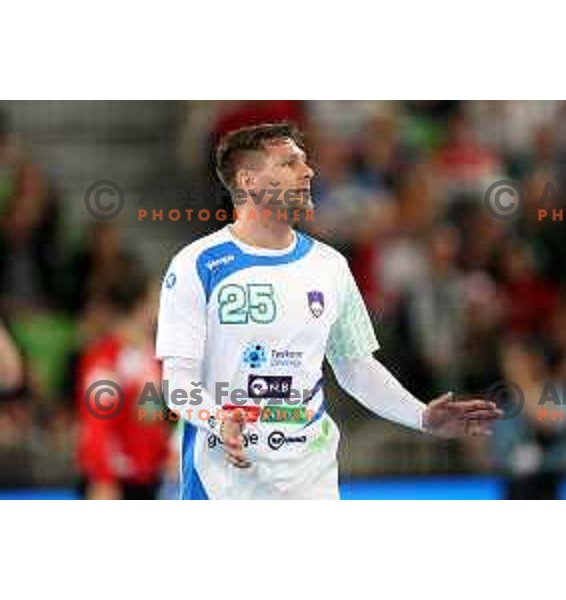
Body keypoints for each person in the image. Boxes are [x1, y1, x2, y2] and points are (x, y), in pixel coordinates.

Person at [156, 122, 501, 500]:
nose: (308, 172)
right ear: (249, 180)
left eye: (304, 162)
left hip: (311, 481)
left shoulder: (330, 265)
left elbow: (356, 367)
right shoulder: (196, 265)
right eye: (289, 164)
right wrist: (218, 421)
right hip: (223, 483)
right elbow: (177, 384)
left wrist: (421, 416)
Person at [77, 271, 170, 500]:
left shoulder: (152, 357)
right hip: (114, 482)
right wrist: (103, 479)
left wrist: (165, 455)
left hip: (148, 478)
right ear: (142, 306)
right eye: (157, 302)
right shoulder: (106, 359)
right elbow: (97, 423)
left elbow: (151, 415)